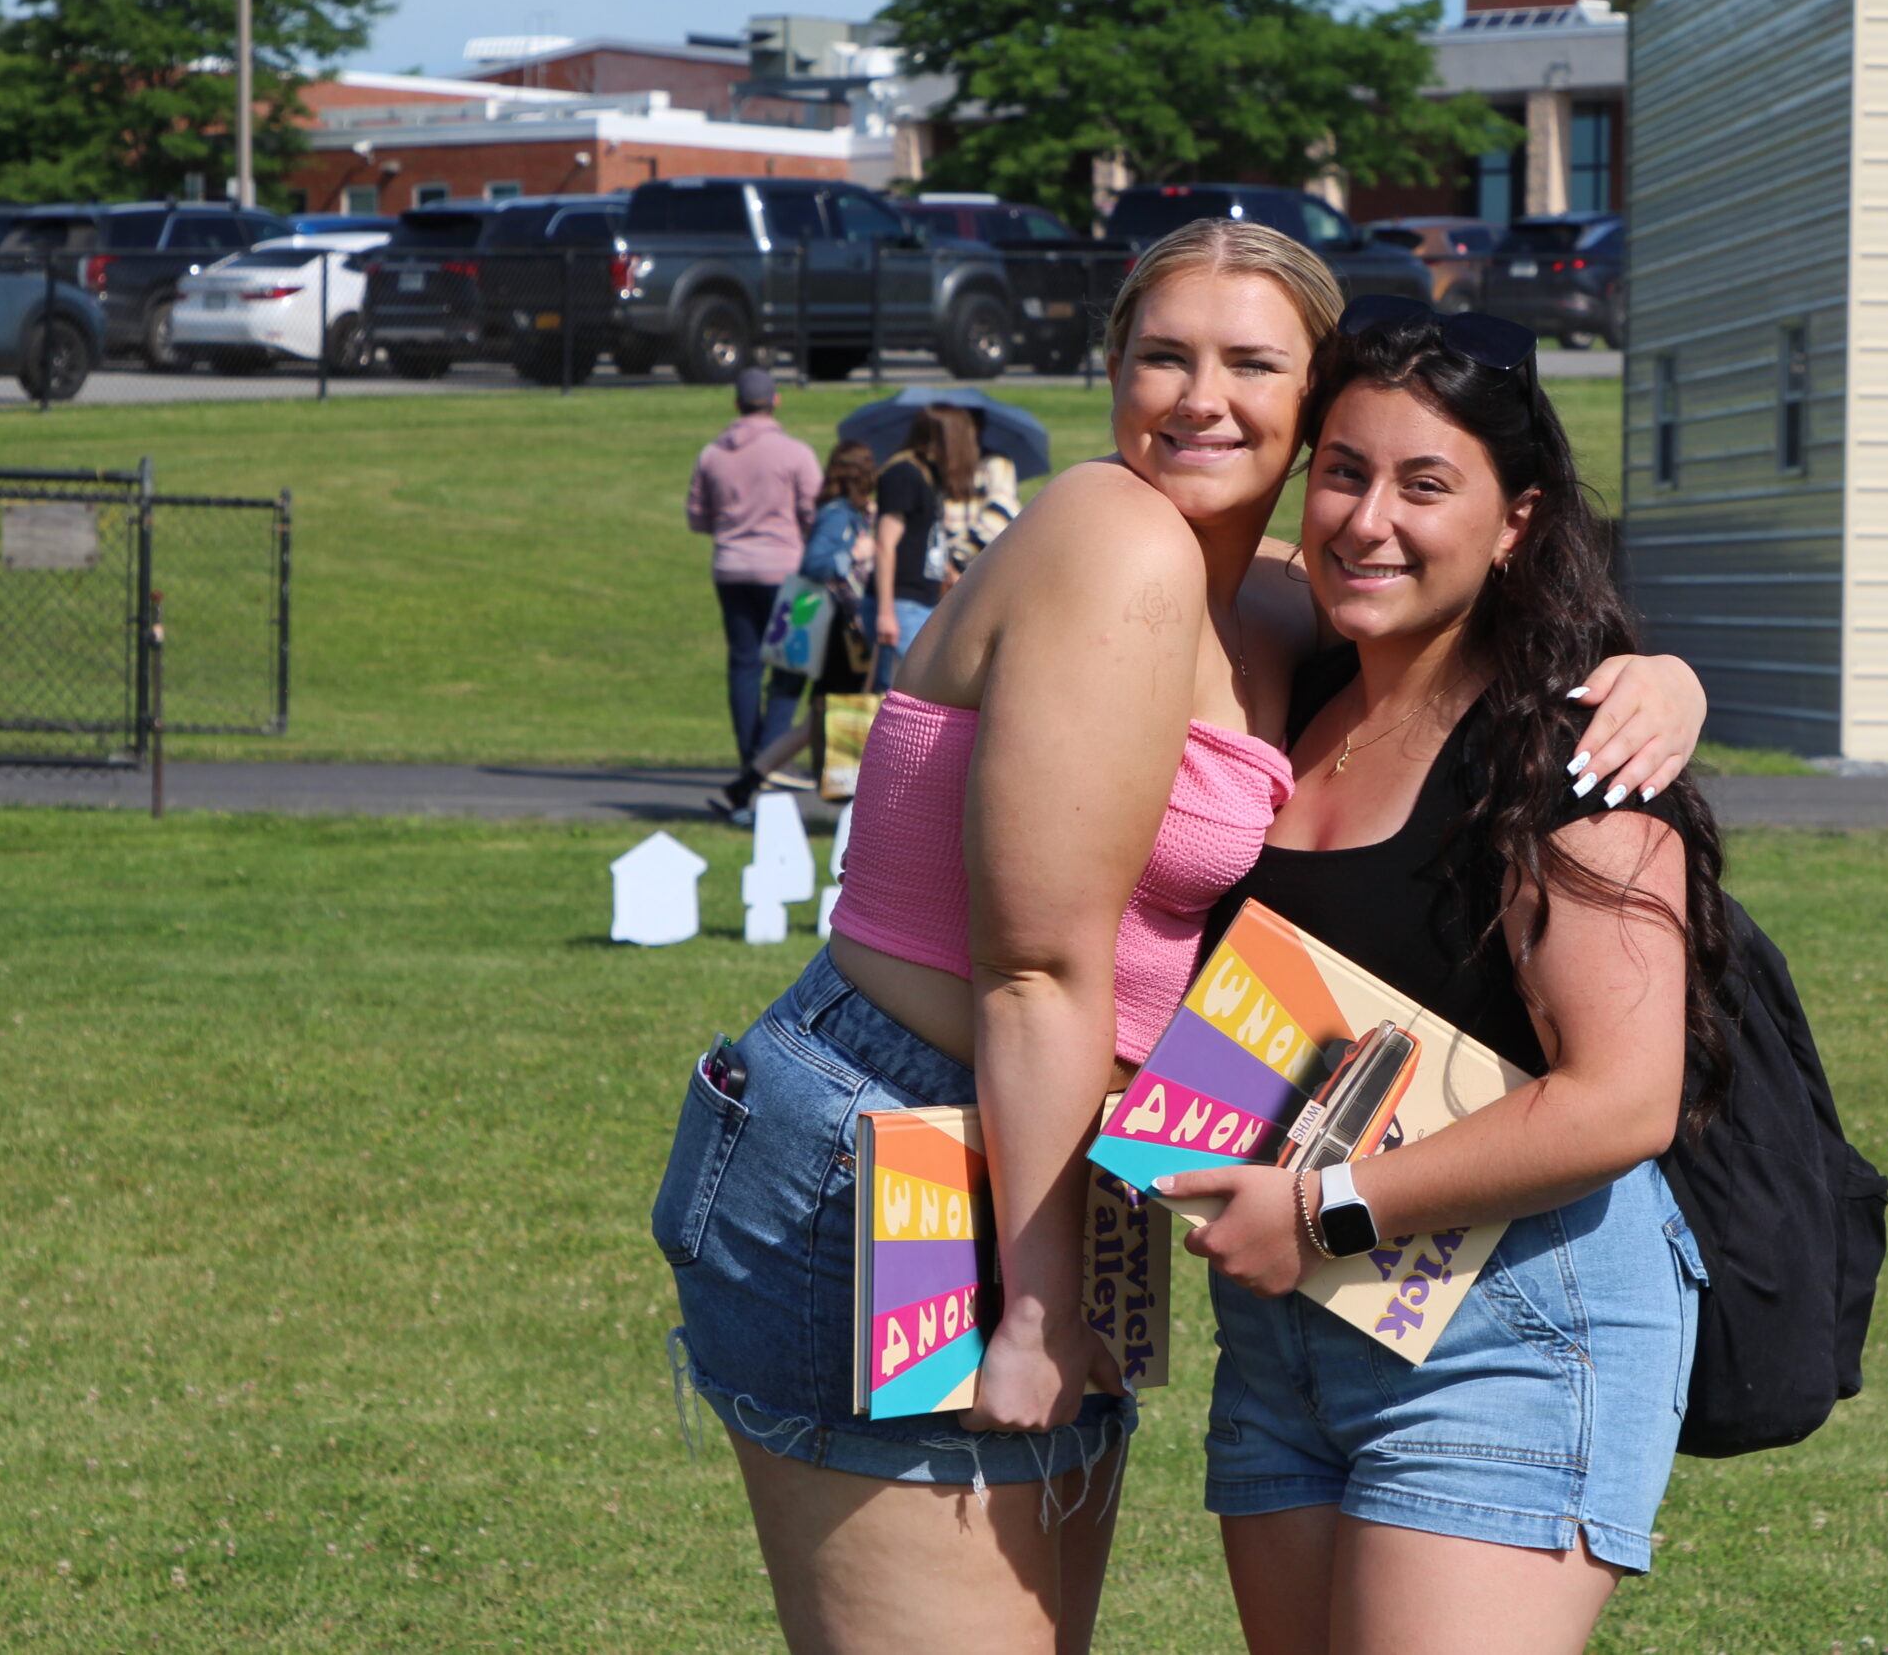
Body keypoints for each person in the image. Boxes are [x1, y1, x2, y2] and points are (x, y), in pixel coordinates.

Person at [651, 222, 1709, 1655]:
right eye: (1164, 354)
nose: (1200, 396)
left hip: (1022, 1170)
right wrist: (1030, 1306)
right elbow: (1035, 965)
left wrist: (1658, 677)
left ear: (1314, 399)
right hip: (909, 1143)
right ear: (1109, 372)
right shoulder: (1122, 540)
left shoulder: (1267, 598)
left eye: (1253, 363)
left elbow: (1449, 597)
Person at [1157, 296, 1734, 1655]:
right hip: (1291, 1329)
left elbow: (1620, 1102)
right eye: (1346, 472)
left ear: (1517, 519)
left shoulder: (1570, 743)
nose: (1370, 520)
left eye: (1428, 485)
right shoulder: (1293, 687)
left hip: (1514, 1321)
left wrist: (1322, 1208)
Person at [712, 441, 877, 820]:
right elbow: (816, 563)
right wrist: (857, 552)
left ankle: (745, 785)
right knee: (847, 708)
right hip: (837, 629)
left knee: (816, 720)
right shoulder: (838, 515)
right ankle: (849, 803)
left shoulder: (844, 513)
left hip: (834, 626)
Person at [688, 367, 821, 769]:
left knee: (743, 664)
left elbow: (698, 518)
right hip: (788, 571)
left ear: (736, 404)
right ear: (776, 402)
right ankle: (766, 760)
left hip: (730, 567)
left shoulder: (712, 455)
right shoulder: (795, 454)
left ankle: (750, 756)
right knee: (790, 667)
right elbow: (814, 514)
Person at [865, 404, 975, 690]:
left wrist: (952, 574)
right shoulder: (903, 474)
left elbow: (928, 538)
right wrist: (886, 612)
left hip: (921, 602)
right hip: (901, 602)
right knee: (904, 694)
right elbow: (885, 544)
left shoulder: (928, 475)